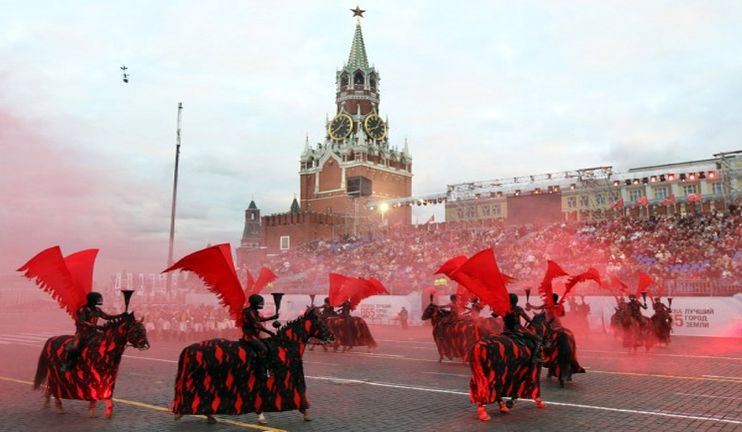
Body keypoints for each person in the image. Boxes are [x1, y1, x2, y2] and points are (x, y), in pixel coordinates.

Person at [62, 292, 119, 372]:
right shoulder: (83, 309)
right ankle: (67, 364)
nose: (100, 300)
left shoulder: (97, 310)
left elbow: (107, 317)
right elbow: (82, 322)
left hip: (94, 333)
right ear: (92, 300)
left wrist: (120, 315)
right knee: (75, 348)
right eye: (98, 299)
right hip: (82, 333)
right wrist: (96, 326)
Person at [494, 293, 543, 363]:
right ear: (516, 301)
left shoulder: (503, 308)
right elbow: (528, 319)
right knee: (537, 338)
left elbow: (494, 315)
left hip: (506, 330)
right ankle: (535, 357)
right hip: (518, 330)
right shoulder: (518, 309)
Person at [241, 294, 279, 378]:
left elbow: (259, 319)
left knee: (269, 346)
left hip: (255, 336)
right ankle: (261, 371)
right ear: (255, 302)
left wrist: (272, 317)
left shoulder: (254, 311)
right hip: (249, 336)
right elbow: (256, 324)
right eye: (261, 302)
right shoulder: (248, 311)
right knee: (263, 349)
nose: (262, 303)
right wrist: (269, 332)